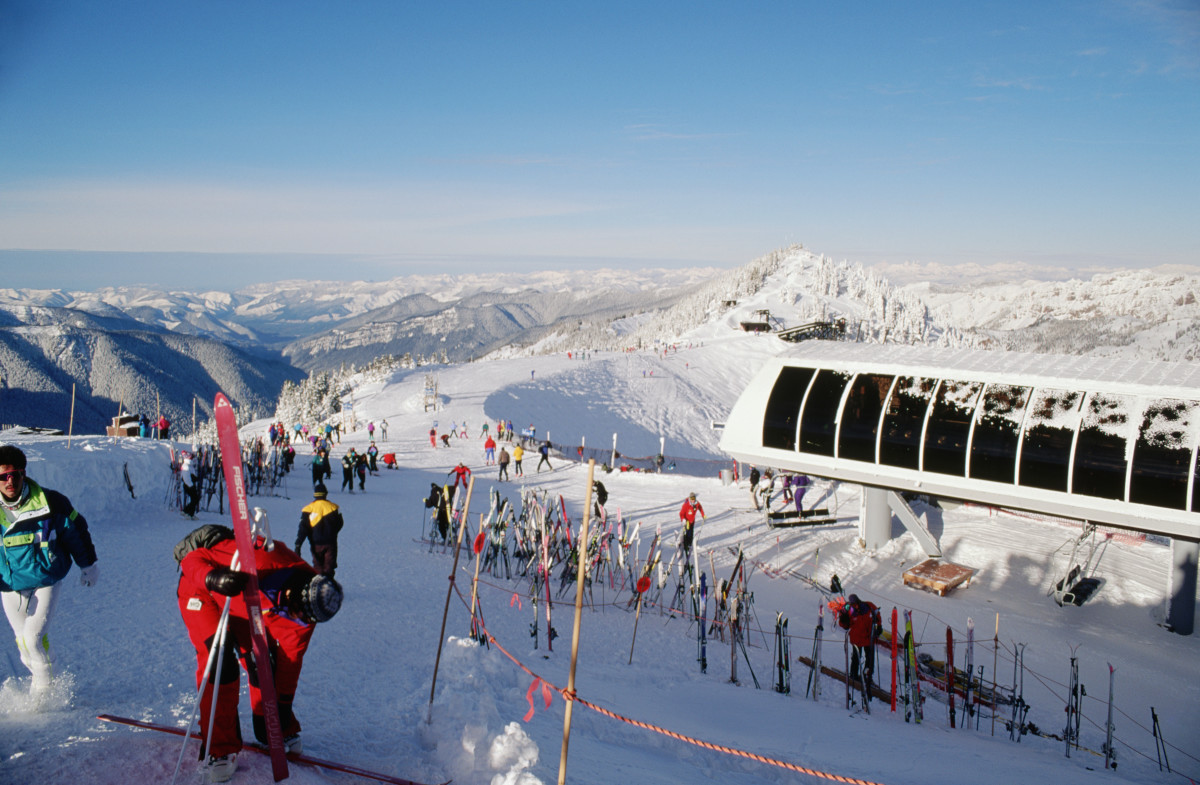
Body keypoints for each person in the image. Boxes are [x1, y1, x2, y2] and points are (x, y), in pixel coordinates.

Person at [176, 523, 343, 783]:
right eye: (298, 612)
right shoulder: (263, 561)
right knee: (221, 661)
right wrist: (213, 578)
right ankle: (219, 747)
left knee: (262, 662)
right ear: (294, 594)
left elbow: (289, 666)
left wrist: (281, 714)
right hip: (201, 590)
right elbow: (192, 559)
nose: (299, 620)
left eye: (306, 618)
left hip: (246, 606)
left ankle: (269, 727)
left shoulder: (305, 618)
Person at [0, 445, 99, 696]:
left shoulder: (50, 502)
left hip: (46, 579)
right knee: (23, 643)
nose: (10, 481)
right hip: (10, 584)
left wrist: (88, 565)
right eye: (3, 476)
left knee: (34, 638)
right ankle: (42, 680)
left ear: (24, 474)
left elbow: (76, 531)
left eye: (16, 475)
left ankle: (45, 697)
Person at [295, 483, 343, 578]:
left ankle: (319, 587)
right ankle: (329, 586)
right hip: (330, 543)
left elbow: (303, 528)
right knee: (329, 566)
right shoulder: (334, 507)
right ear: (326, 494)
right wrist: (332, 533)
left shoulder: (308, 509)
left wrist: (298, 544)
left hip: (315, 543)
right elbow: (340, 523)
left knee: (318, 567)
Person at [837, 594, 882, 688]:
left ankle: (867, 675)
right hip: (857, 638)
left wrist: (879, 627)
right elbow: (844, 625)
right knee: (856, 657)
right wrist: (843, 619)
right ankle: (854, 675)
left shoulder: (869, 606)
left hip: (868, 637)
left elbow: (877, 615)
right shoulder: (848, 609)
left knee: (869, 658)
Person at [181, 450, 201, 518]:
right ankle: (185, 511)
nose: (192, 458)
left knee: (194, 499)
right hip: (188, 485)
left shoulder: (190, 465)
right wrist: (191, 485)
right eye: (191, 457)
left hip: (191, 484)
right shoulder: (186, 466)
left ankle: (191, 514)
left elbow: (192, 475)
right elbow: (186, 478)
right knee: (195, 499)